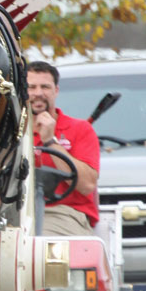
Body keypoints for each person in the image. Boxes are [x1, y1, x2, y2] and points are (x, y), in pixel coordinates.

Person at [27, 60, 100, 236]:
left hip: (64, 213)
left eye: (45, 87)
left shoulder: (80, 129)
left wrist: (50, 141)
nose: (38, 93)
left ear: (56, 91)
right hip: (15, 212)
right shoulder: (11, 131)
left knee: (41, 248)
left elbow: (87, 185)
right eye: (31, 87)